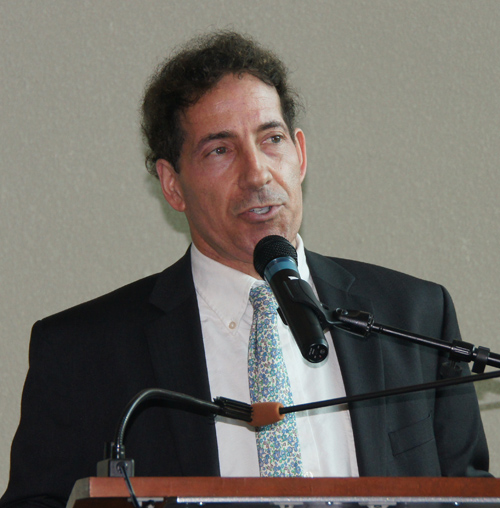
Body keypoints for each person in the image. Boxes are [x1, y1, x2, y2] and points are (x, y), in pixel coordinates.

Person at [0, 31, 490, 508]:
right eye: (220, 150)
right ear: (172, 185)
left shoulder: (415, 317)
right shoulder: (83, 353)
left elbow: (470, 494)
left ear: (300, 154)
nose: (256, 173)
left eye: (271, 139)